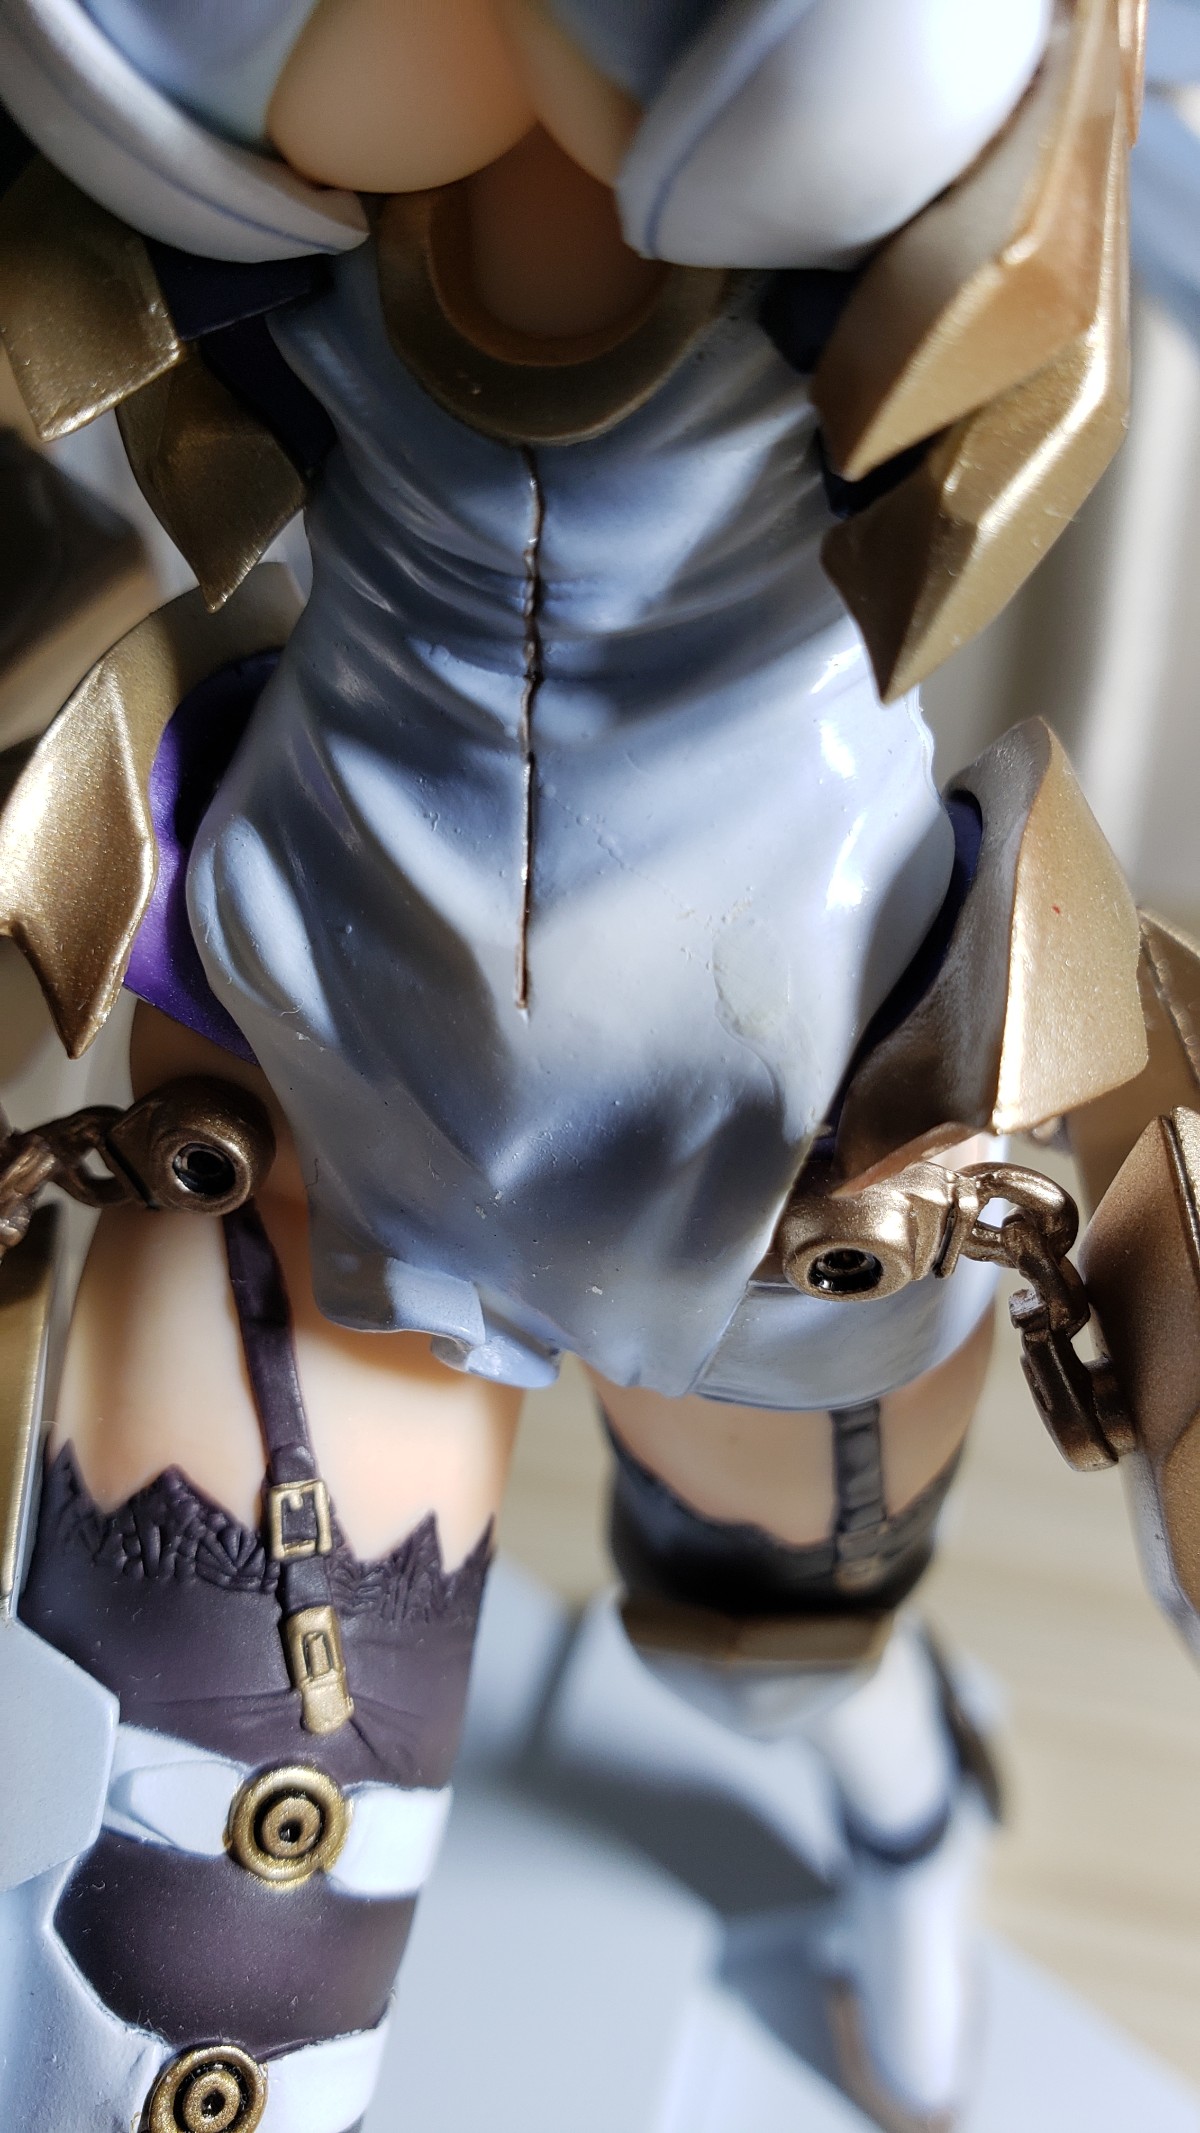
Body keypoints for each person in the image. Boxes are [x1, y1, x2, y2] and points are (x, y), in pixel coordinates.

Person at [0, 5, 1175, 2131]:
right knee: (177, 1992)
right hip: (310, 1059)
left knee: (770, 1650)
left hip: (804, 1131)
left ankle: (908, 1807)